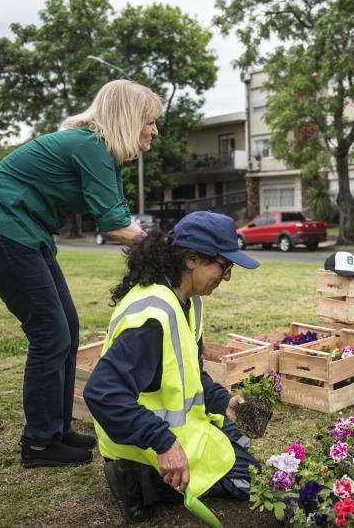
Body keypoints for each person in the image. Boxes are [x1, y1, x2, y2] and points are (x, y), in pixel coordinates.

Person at [0, 79, 161, 468]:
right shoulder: (91, 147)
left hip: (24, 231)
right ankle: (38, 445)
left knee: (67, 326)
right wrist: (168, 252)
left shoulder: (102, 154)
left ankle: (57, 428)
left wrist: (151, 241)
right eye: (149, 121)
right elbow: (117, 228)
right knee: (50, 332)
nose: (154, 130)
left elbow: (117, 216)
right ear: (129, 118)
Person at [83, 211, 261, 525]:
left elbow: (187, 372)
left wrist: (224, 402)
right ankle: (138, 479)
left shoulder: (186, 300)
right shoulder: (153, 315)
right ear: (192, 259)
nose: (227, 276)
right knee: (253, 479)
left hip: (169, 429)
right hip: (141, 439)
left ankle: (145, 475)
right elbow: (101, 393)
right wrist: (164, 444)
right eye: (224, 266)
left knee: (240, 443)